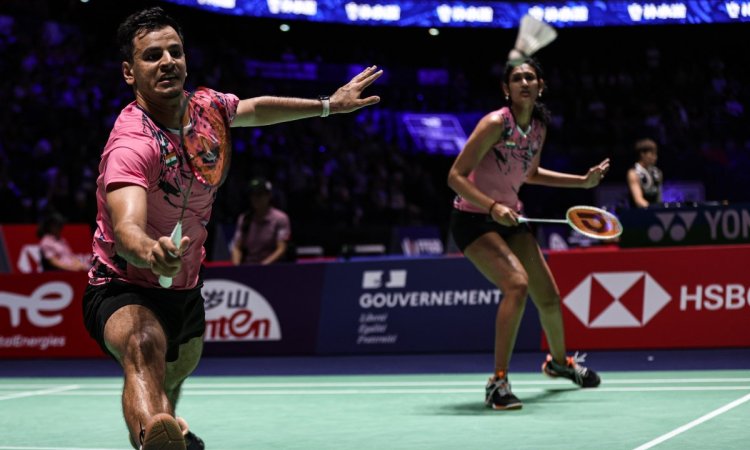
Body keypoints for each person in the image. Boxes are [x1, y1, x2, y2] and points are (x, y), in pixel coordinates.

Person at [80, 7, 382, 450]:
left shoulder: (207, 108)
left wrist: (327, 106)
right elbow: (126, 228)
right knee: (143, 349)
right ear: (130, 72)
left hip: (184, 285)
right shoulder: (132, 143)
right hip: (123, 282)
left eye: (175, 51)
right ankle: (154, 437)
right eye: (152, 56)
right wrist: (150, 251)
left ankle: (168, 426)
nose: (167, 62)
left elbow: (254, 109)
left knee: (174, 370)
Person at [446, 57, 608, 410]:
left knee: (548, 296)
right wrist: (492, 207)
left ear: (540, 86)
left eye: (530, 78)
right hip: (474, 219)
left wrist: (582, 182)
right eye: (517, 78)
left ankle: (560, 364)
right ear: (506, 89)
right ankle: (497, 382)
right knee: (517, 285)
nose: (524, 82)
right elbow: (455, 176)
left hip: (511, 219)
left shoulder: (537, 127)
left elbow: (530, 173)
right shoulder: (495, 123)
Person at [230, 177, 291, 265]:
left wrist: (262, 267)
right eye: (253, 194)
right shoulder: (244, 219)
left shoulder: (280, 218)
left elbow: (281, 248)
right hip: (248, 267)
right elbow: (237, 247)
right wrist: (237, 267)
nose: (256, 198)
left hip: (273, 268)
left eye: (259, 194)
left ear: (269, 195)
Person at [626, 137, 663, 208]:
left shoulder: (658, 173)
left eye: (656, 154)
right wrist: (653, 209)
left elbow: (659, 198)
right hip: (639, 212)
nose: (655, 157)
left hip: (655, 211)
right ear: (642, 154)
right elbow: (639, 201)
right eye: (652, 154)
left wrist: (660, 210)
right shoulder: (633, 173)